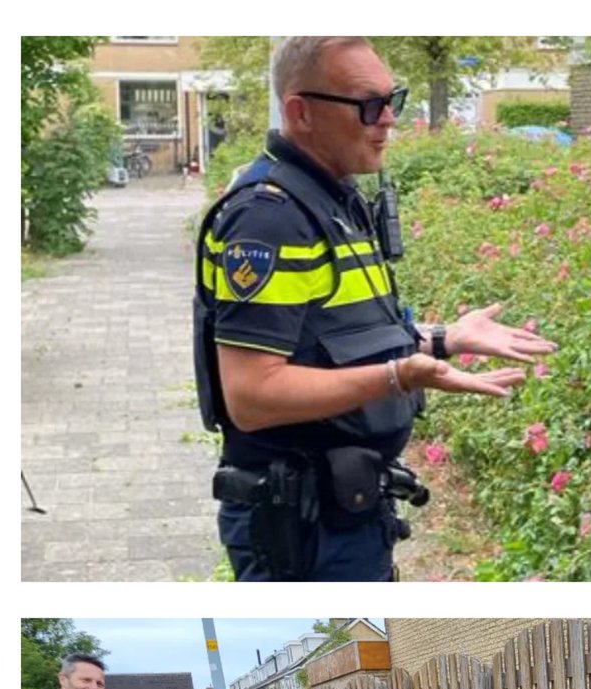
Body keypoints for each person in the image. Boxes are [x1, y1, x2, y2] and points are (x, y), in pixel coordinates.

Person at [194, 36, 556, 581]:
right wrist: (396, 377)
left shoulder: (331, 199)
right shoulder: (271, 220)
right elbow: (252, 396)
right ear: (301, 112)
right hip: (302, 527)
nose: (388, 119)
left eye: (392, 100)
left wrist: (444, 339)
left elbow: (336, 342)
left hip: (349, 510)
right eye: (368, 105)